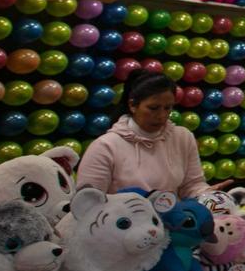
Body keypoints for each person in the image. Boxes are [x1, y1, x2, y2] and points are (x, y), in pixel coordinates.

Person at [74, 72, 210, 199]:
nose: (162, 116)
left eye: (168, 108)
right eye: (153, 108)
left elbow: (192, 185)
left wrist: (209, 197)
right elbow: (89, 201)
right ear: (133, 105)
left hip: (171, 222)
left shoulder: (183, 137)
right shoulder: (105, 146)